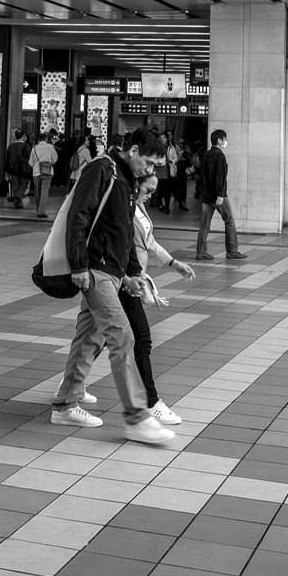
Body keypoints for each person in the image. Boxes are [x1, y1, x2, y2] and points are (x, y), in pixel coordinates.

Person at [51, 128, 175, 445]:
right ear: (132, 151)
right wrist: (78, 265)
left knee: (88, 339)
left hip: (112, 270)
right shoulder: (101, 169)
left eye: (154, 166)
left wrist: (132, 274)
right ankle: (137, 418)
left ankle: (65, 404)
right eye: (148, 162)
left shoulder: (127, 182)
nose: (150, 171)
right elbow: (78, 215)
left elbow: (123, 236)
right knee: (123, 335)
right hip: (95, 269)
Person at [196, 130, 245, 261]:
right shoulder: (220, 156)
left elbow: (201, 176)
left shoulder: (206, 154)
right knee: (229, 220)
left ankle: (201, 252)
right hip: (218, 195)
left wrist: (203, 191)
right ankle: (232, 250)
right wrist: (220, 194)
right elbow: (220, 178)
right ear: (219, 140)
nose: (225, 142)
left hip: (206, 195)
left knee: (204, 225)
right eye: (225, 139)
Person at [29, 132, 58, 218]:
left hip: (36, 173)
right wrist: (49, 163)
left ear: (38, 140)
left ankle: (38, 209)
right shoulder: (50, 147)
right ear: (46, 139)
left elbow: (31, 162)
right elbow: (55, 159)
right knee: (44, 191)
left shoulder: (34, 149)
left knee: (37, 191)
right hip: (47, 171)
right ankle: (41, 211)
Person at [4, 129, 31, 209]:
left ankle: (17, 203)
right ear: (23, 137)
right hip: (24, 170)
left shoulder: (10, 147)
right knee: (24, 184)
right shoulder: (27, 147)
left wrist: (7, 171)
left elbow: (7, 160)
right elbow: (30, 158)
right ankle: (18, 196)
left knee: (15, 185)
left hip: (13, 169)